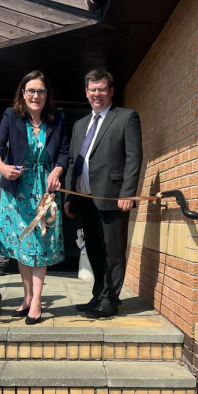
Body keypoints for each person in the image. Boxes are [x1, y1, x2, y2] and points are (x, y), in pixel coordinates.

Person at [0, 70, 69, 325]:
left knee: (41, 244)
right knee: (24, 246)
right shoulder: (11, 116)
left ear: (47, 95)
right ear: (23, 94)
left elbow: (65, 152)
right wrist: (0, 166)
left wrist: (57, 170)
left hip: (45, 190)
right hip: (17, 190)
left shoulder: (58, 118)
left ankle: (36, 302)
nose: (36, 95)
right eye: (31, 91)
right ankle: (26, 297)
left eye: (41, 91)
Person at [65, 69, 143, 319]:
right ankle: (99, 294)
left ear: (111, 91)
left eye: (101, 89)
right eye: (92, 89)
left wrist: (128, 192)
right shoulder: (79, 125)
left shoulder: (126, 117)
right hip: (85, 198)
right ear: (86, 92)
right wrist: (70, 196)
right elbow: (71, 162)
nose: (96, 94)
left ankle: (111, 299)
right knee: (95, 250)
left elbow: (133, 157)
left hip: (113, 197)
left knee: (113, 250)